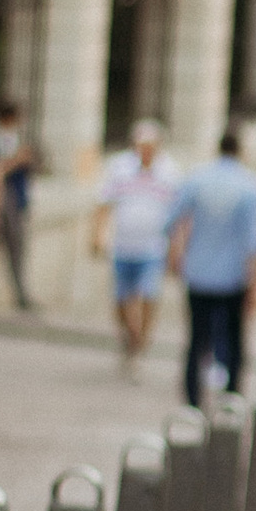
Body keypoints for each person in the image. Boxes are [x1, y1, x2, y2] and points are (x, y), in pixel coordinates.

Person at [168, 128, 256, 404]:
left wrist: (176, 253)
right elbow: (255, 240)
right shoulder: (250, 185)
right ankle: (231, 397)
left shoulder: (197, 178)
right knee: (234, 338)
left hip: (198, 271)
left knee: (196, 339)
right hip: (232, 276)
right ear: (240, 150)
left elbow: (172, 219)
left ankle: (193, 398)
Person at [95, 122, 182, 374]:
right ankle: (129, 337)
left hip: (153, 247)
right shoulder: (120, 167)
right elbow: (104, 202)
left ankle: (140, 340)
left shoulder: (169, 172)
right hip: (123, 246)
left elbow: (178, 215)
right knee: (121, 299)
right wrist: (98, 235)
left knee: (148, 296)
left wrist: (175, 248)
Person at [0, 101, 36, 313]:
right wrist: (16, 160)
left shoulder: (16, 138)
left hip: (15, 197)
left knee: (17, 247)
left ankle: (20, 293)